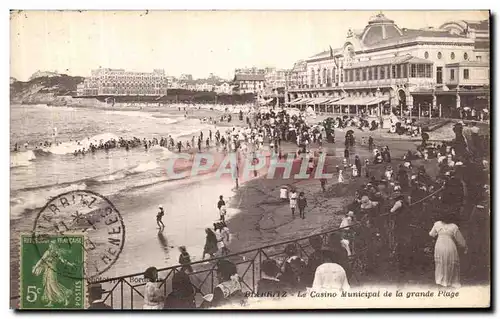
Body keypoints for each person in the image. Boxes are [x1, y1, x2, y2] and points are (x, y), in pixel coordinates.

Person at [429, 212, 467, 288]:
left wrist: (439, 233)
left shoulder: (437, 224)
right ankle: (449, 281)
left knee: (440, 263)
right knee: (450, 262)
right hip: (449, 246)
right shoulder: (454, 227)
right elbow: (460, 240)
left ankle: (440, 280)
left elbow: (431, 234)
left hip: (439, 246)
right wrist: (465, 246)